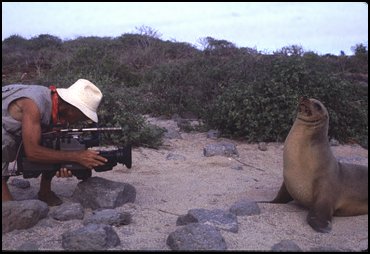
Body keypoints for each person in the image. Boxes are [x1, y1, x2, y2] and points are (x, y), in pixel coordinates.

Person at [2, 79, 108, 206]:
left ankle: (44, 192)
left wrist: (64, 163)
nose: (82, 120)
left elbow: (50, 147)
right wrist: (76, 156)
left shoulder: (54, 105)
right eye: (82, 116)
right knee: (5, 143)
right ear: (72, 110)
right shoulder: (34, 105)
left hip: (9, 128)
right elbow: (33, 152)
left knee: (53, 142)